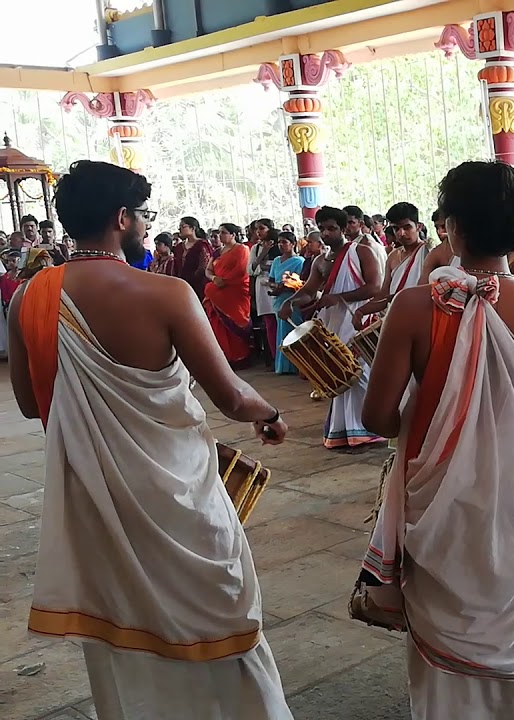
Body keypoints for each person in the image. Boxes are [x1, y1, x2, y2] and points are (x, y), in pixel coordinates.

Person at [5, 159, 291, 719]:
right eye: (143, 215)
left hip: (96, 496)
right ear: (121, 218)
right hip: (178, 495)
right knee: (219, 619)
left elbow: (28, 401)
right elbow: (232, 397)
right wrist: (271, 412)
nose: (145, 224)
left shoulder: (28, 298)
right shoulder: (166, 293)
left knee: (125, 635)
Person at [360, 160, 514, 720]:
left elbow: (378, 417)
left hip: (437, 502)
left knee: (440, 650)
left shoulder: (412, 308)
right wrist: (503, 446)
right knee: (512, 627)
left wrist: (437, 426)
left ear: (451, 228)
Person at [280, 205, 384, 451]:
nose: (326, 234)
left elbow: (375, 287)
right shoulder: (319, 261)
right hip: (332, 323)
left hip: (357, 319)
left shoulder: (362, 251)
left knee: (360, 373)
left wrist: (340, 298)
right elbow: (308, 292)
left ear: (344, 228)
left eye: (332, 228)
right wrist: (291, 301)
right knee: (338, 372)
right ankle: (346, 432)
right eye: (322, 229)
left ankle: (373, 427)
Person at [352, 202, 429, 327]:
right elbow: (384, 295)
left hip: (422, 322)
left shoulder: (429, 253)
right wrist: (361, 311)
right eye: (396, 229)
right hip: (397, 321)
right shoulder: (393, 257)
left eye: (407, 227)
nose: (401, 233)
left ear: (418, 227)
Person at [203, 223, 254, 367]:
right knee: (218, 325)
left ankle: (240, 357)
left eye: (224, 232)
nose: (220, 235)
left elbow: (241, 271)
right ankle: (225, 358)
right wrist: (215, 279)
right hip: (217, 292)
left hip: (235, 292)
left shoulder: (241, 249)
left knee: (236, 322)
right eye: (219, 232)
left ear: (233, 235)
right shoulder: (217, 252)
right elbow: (208, 270)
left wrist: (224, 282)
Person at [267, 232, 305, 374]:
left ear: (293, 244)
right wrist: (274, 287)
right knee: (281, 331)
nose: (281, 245)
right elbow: (271, 279)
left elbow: (300, 283)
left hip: (291, 299)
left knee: (292, 330)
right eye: (279, 242)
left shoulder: (299, 261)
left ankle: (296, 365)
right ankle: (283, 365)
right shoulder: (276, 260)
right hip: (277, 299)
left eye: (284, 242)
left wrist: (285, 287)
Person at [248, 219, 279, 363]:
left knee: (280, 321)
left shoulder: (280, 243)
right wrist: (263, 253)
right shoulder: (256, 248)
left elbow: (280, 264)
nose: (258, 232)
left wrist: (266, 266)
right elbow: (251, 269)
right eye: (256, 229)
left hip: (278, 284)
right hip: (262, 286)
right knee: (269, 323)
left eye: (261, 228)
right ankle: (274, 357)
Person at [172, 216, 214, 300]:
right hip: (181, 285)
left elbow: (204, 266)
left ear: (193, 228)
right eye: (179, 227)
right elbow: (176, 266)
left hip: (198, 285)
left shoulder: (202, 245)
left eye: (183, 227)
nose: (180, 229)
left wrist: (191, 280)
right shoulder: (179, 246)